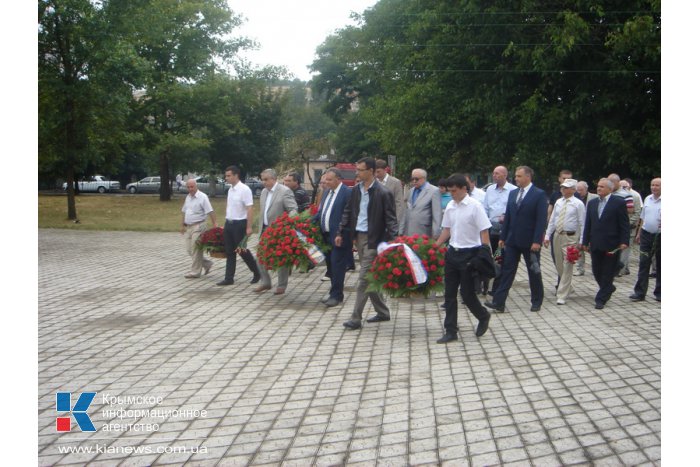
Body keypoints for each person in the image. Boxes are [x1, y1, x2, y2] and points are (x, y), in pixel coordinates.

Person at [336, 157, 398, 330]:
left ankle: (355, 318)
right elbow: (348, 211)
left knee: (363, 278)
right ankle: (383, 312)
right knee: (371, 277)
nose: (357, 173)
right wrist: (341, 231)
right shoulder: (356, 190)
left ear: (370, 171)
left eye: (360, 170)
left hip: (375, 239)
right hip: (360, 237)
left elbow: (391, 219)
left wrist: (394, 241)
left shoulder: (383, 192)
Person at [434, 174, 493, 343]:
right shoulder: (451, 206)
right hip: (453, 252)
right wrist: (435, 247)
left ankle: (483, 316)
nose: (451, 194)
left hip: (470, 254)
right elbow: (447, 230)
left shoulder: (475, 206)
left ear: (463, 188)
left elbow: (484, 231)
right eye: (449, 190)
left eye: (454, 190)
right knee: (449, 294)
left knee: (467, 294)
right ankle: (450, 330)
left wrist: (485, 252)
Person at [485, 166, 548, 313]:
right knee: (507, 271)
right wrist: (503, 236)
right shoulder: (513, 194)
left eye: (519, 176)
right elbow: (508, 217)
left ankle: (536, 300)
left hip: (530, 241)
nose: (516, 179)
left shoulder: (538, 194)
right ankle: (499, 302)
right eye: (516, 176)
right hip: (512, 240)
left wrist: (537, 241)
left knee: (533, 271)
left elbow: (541, 220)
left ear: (528, 177)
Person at [581, 178, 630, 309]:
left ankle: (601, 299)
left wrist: (624, 241)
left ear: (610, 188)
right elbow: (588, 224)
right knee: (596, 271)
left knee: (607, 272)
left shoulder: (618, 202)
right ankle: (608, 288)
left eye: (602, 187)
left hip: (612, 244)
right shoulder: (592, 203)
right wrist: (584, 241)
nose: (599, 189)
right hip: (596, 243)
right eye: (598, 186)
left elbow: (624, 223)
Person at [253, 169, 298, 295]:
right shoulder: (263, 192)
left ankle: (282, 285)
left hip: (279, 229)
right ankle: (266, 282)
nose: (264, 182)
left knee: (281, 257)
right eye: (262, 179)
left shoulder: (284, 191)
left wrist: (287, 224)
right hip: (265, 229)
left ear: (274, 179)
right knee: (260, 257)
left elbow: (293, 209)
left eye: (266, 179)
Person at [313, 168, 352, 307]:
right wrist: (309, 222)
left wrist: (342, 233)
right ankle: (334, 293)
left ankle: (336, 295)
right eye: (325, 180)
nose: (326, 183)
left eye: (329, 180)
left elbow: (349, 216)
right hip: (326, 235)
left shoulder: (347, 193)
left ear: (338, 179)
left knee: (337, 266)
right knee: (331, 266)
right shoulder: (326, 192)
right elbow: (322, 212)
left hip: (339, 236)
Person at [543, 179, 585, 305]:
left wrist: (581, 241)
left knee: (568, 264)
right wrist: (547, 236)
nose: (563, 190)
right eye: (562, 187)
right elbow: (553, 220)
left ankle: (561, 294)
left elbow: (582, 223)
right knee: (559, 264)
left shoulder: (578, 204)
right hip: (557, 235)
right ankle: (568, 287)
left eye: (566, 188)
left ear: (573, 190)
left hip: (570, 237)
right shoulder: (558, 202)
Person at [217, 165, 260, 286]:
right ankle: (229, 278)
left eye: (229, 175)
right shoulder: (230, 189)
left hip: (240, 224)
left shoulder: (244, 189)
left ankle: (257, 271)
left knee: (242, 250)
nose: (226, 178)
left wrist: (249, 226)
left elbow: (249, 208)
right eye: (226, 176)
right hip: (229, 223)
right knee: (229, 251)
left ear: (236, 175)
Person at [483, 165, 517, 294]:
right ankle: (486, 285)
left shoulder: (513, 190)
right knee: (489, 256)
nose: (494, 175)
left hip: (505, 229)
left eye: (497, 173)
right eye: (493, 173)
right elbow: (485, 208)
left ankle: (498, 287)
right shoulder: (490, 189)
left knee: (502, 257)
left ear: (505, 175)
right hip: (491, 227)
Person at [630, 178, 661, 302]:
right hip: (646, 234)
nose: (654, 187)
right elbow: (643, 218)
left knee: (661, 264)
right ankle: (640, 292)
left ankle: (660, 292)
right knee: (643, 263)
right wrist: (639, 233)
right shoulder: (648, 198)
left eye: (657, 185)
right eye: (652, 185)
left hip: (660, 236)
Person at [181, 178, 217, 278]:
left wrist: (215, 224)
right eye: (188, 187)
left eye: (192, 186)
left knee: (195, 249)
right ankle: (207, 264)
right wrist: (182, 225)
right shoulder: (188, 197)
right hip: (189, 227)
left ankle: (195, 272)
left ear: (196, 186)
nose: (190, 189)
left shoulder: (203, 197)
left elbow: (210, 211)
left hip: (199, 226)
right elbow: (184, 211)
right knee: (189, 250)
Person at [401, 168, 442, 238]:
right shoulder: (411, 191)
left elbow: (437, 215)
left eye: (416, 179)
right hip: (408, 232)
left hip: (424, 232)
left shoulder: (434, 191)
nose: (414, 181)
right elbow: (406, 211)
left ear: (424, 178)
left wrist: (436, 235)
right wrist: (401, 230)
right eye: (412, 179)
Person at [618, 178, 643, 276]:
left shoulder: (635, 196)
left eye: (625, 187)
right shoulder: (617, 195)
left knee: (625, 249)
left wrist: (627, 224)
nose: (623, 189)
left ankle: (620, 270)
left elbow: (637, 213)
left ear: (630, 186)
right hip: (618, 227)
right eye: (621, 187)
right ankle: (625, 268)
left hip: (629, 227)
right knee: (621, 249)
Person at [375, 159, 405, 226]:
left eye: (378, 172)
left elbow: (399, 203)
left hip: (390, 220)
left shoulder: (396, 182)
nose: (376, 174)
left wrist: (397, 221)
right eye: (375, 172)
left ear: (385, 170)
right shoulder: (374, 182)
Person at [574, 181, 594, 276]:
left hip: (591, 226)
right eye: (577, 190)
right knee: (579, 247)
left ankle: (596, 267)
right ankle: (580, 268)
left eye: (581, 190)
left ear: (586, 189)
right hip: (579, 226)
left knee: (592, 248)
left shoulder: (594, 197)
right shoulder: (574, 198)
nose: (579, 192)